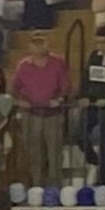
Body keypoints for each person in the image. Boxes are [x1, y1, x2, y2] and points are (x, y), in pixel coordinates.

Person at [12, 31, 70, 186]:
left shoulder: (58, 63)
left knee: (55, 153)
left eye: (42, 42)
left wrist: (59, 99)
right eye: (35, 42)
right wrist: (20, 101)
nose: (39, 46)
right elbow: (15, 88)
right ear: (30, 45)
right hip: (31, 115)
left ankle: (55, 189)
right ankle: (36, 188)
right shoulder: (23, 65)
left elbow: (66, 86)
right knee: (33, 154)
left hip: (54, 115)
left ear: (47, 43)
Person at [81, 25, 105, 185]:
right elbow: (86, 78)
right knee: (80, 134)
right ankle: (95, 161)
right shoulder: (94, 56)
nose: (101, 46)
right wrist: (84, 96)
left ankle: (104, 181)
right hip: (92, 104)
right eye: (98, 42)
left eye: (104, 42)